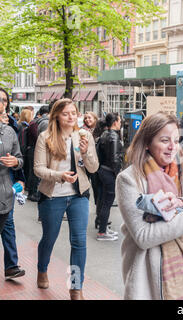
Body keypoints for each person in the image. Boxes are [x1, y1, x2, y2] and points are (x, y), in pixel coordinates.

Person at [115, 112, 183, 300]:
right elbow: (143, 237)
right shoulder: (129, 179)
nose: (173, 147)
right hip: (149, 277)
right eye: (164, 140)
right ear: (147, 143)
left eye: (177, 140)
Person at [33, 98, 99, 300]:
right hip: (53, 196)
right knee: (49, 238)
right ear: (56, 116)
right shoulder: (45, 137)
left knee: (79, 241)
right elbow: (38, 168)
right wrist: (59, 176)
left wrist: (86, 152)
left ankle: (75, 287)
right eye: (66, 113)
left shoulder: (84, 135)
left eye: (74, 112)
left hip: (79, 195)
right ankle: (42, 269)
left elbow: (93, 168)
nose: (71, 117)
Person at [95, 113, 123, 240]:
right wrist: (118, 174)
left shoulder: (104, 134)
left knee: (102, 200)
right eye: (120, 121)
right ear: (115, 122)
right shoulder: (113, 137)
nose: (121, 123)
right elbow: (115, 159)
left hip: (101, 170)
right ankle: (102, 232)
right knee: (107, 202)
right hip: (109, 172)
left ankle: (103, 227)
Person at [0, 90, 24, 234]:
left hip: (3, 198)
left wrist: (15, 162)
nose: (1, 103)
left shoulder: (9, 132)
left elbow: (20, 159)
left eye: (3, 100)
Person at [27, 105, 50, 202]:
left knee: (34, 173)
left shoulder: (36, 121)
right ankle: (33, 193)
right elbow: (43, 139)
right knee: (35, 173)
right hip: (35, 150)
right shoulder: (45, 123)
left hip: (32, 149)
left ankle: (32, 192)